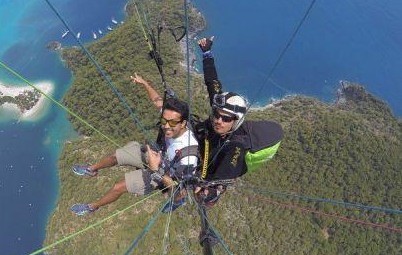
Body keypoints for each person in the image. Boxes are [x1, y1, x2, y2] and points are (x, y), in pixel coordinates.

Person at [70, 76, 198, 215]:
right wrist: (145, 83)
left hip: (163, 173)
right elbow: (157, 101)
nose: (166, 126)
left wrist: (156, 170)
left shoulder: (189, 157)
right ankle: (91, 169)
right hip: (156, 155)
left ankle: (92, 207)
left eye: (172, 123)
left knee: (118, 187)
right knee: (115, 156)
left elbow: (178, 189)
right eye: (164, 120)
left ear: (183, 123)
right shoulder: (171, 116)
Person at [193, 36, 283, 206]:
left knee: (208, 182)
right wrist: (207, 52)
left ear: (235, 121)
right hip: (211, 143)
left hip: (220, 165)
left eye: (226, 119)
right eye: (217, 115)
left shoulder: (236, 145)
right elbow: (212, 82)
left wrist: (207, 190)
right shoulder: (221, 108)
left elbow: (224, 175)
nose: (219, 120)